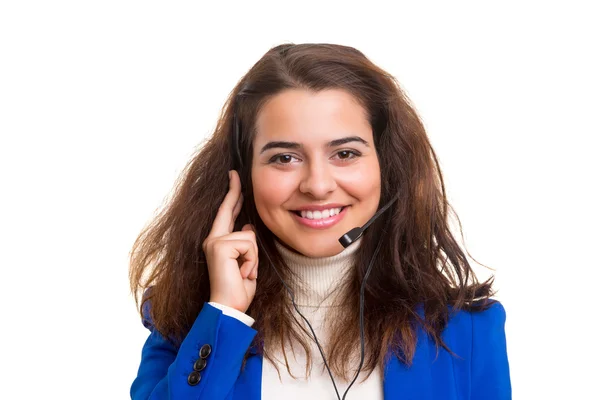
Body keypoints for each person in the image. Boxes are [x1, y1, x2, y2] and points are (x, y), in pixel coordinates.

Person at [129, 43, 511, 400]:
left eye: (345, 153)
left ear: (387, 167)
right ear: (242, 174)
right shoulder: (189, 324)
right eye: (284, 158)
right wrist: (226, 311)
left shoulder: (470, 331)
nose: (317, 185)